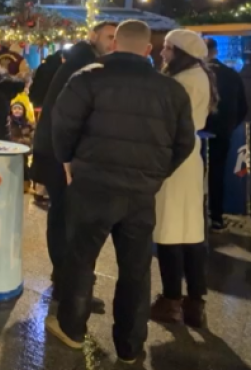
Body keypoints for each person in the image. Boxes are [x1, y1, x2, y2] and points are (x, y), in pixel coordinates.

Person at [45, 20, 196, 363]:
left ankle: (71, 328)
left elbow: (63, 125)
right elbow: (185, 142)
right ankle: (130, 346)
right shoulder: (170, 91)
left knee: (81, 259)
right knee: (136, 270)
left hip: (92, 186)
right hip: (141, 193)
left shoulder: (87, 79)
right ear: (148, 50)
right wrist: (156, 174)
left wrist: (70, 162)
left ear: (114, 45)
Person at [32, 21, 118, 297]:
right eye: (109, 36)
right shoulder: (85, 65)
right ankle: (67, 279)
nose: (113, 42)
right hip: (63, 155)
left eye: (117, 37)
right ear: (93, 37)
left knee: (65, 215)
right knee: (66, 216)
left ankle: (67, 276)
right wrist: (69, 159)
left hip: (60, 151)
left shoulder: (83, 61)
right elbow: (68, 115)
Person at [150, 30, 219, 328]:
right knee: (191, 232)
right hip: (190, 157)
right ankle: (195, 302)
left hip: (173, 158)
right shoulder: (200, 77)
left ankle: (171, 300)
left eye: (167, 48)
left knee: (168, 231)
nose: (162, 53)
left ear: (181, 52)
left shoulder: (179, 83)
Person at [203, 37, 248, 231]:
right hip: (222, 132)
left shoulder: (196, 74)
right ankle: (217, 217)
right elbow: (243, 106)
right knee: (217, 173)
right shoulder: (231, 74)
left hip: (197, 130)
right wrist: (229, 126)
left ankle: (194, 215)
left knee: (194, 172)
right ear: (215, 51)